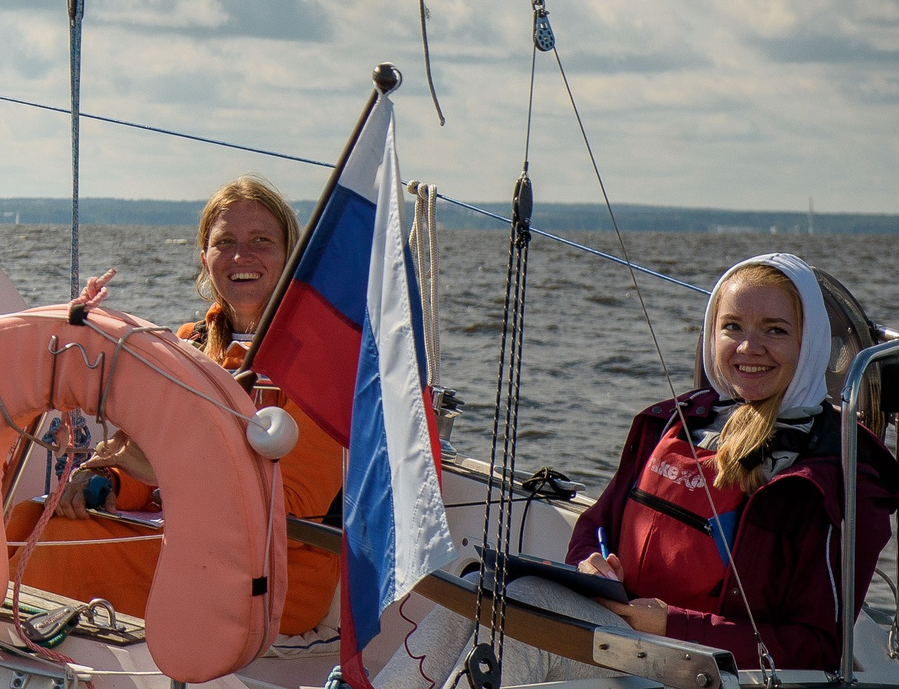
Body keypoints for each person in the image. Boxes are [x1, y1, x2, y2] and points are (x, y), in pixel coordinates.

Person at [382, 252, 898, 685]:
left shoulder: (839, 473)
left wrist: (674, 624)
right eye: (732, 327)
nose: (748, 347)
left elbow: (819, 649)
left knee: (522, 628)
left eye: (775, 330)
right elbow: (595, 525)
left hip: (710, 669)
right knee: (483, 593)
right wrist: (592, 565)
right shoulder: (672, 423)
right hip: (627, 634)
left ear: (809, 347)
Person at [9, 176, 347, 641]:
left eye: (261, 242)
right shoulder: (188, 345)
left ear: (290, 257)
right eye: (224, 242)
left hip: (282, 568)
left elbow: (292, 509)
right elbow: (137, 455)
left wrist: (164, 471)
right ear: (204, 257)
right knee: (26, 520)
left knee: (53, 552)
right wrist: (104, 482)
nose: (240, 256)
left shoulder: (324, 363)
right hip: (184, 536)